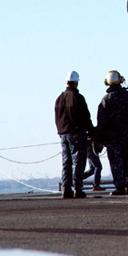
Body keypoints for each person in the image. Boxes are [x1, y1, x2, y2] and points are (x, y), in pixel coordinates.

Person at [95, 70, 128, 195]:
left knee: (115, 161)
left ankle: (120, 187)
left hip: (112, 137)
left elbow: (101, 121)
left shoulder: (106, 100)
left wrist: (99, 139)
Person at [54, 71, 94, 199]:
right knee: (78, 161)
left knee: (66, 162)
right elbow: (85, 118)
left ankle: (66, 188)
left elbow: (57, 118)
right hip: (76, 133)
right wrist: (92, 132)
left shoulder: (59, 98)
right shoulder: (78, 97)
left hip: (63, 134)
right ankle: (78, 188)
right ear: (76, 82)